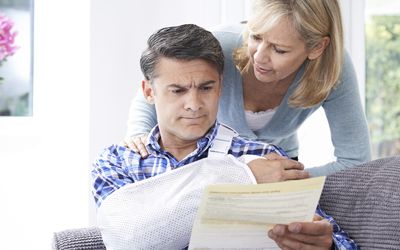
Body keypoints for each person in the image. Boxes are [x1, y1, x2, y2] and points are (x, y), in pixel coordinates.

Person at [92, 24, 357, 250]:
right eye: (178, 90)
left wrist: (327, 244)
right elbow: (126, 239)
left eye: (206, 88)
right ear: (149, 92)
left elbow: (340, 239)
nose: (194, 104)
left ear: (220, 85)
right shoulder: (118, 162)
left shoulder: (264, 158)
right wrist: (244, 177)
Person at [124, 0, 371, 177]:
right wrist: (139, 134)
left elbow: (355, 161)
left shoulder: (334, 70)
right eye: (255, 37)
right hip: (211, 161)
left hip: (279, 165)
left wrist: (290, 180)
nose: (259, 57)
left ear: (317, 48)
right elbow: (155, 87)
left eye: (279, 49)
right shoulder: (220, 44)